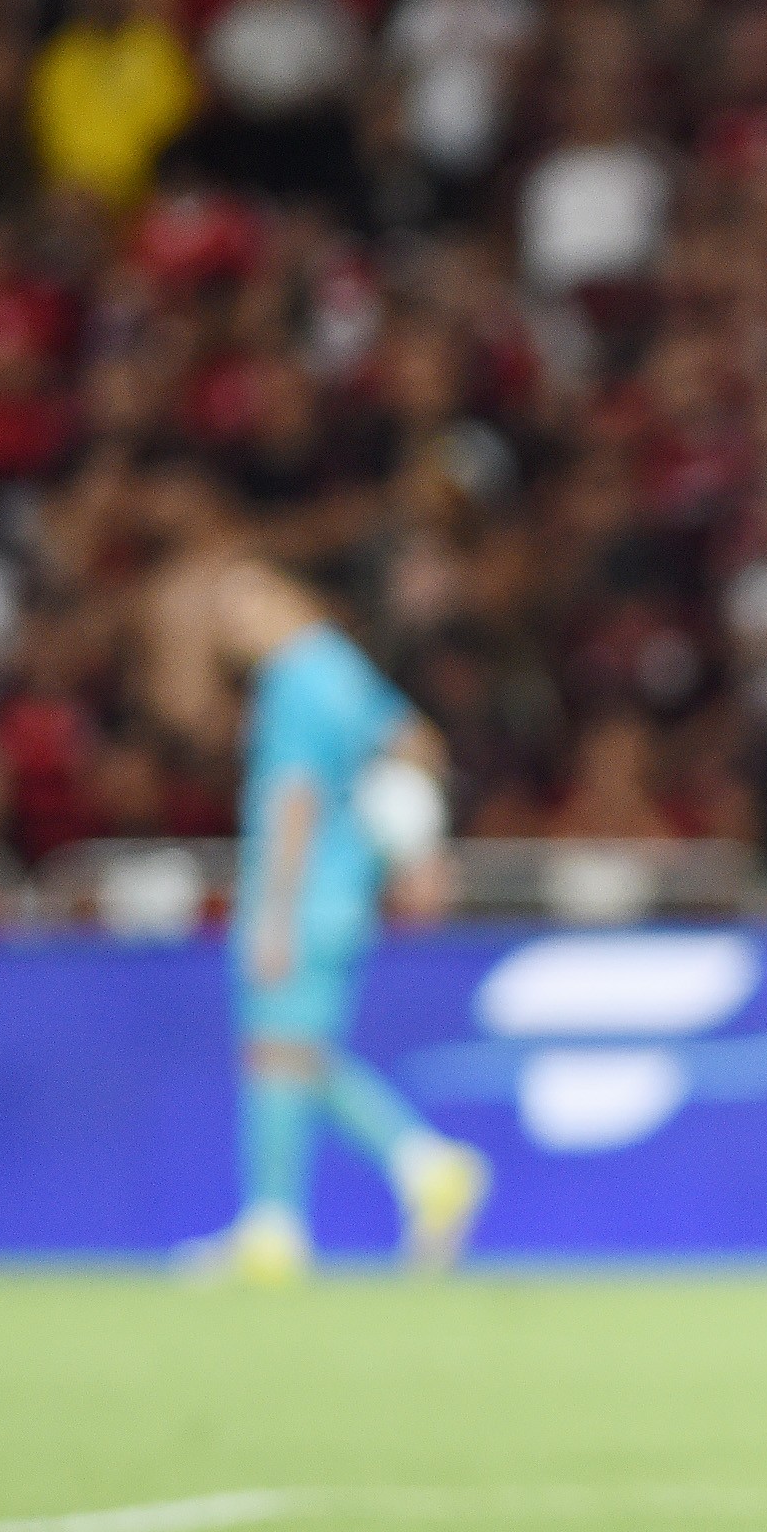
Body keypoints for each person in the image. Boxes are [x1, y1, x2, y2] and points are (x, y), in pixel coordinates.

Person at [151, 505, 490, 1285]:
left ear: (285, 595)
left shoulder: (296, 681)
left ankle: (288, 1224)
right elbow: (418, 745)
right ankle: (409, 1177)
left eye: (239, 604)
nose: (228, 626)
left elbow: (295, 801)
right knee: (294, 1056)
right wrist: (408, 850)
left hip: (299, 891)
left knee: (278, 1052)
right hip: (345, 891)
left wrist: (272, 912)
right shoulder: (341, 668)